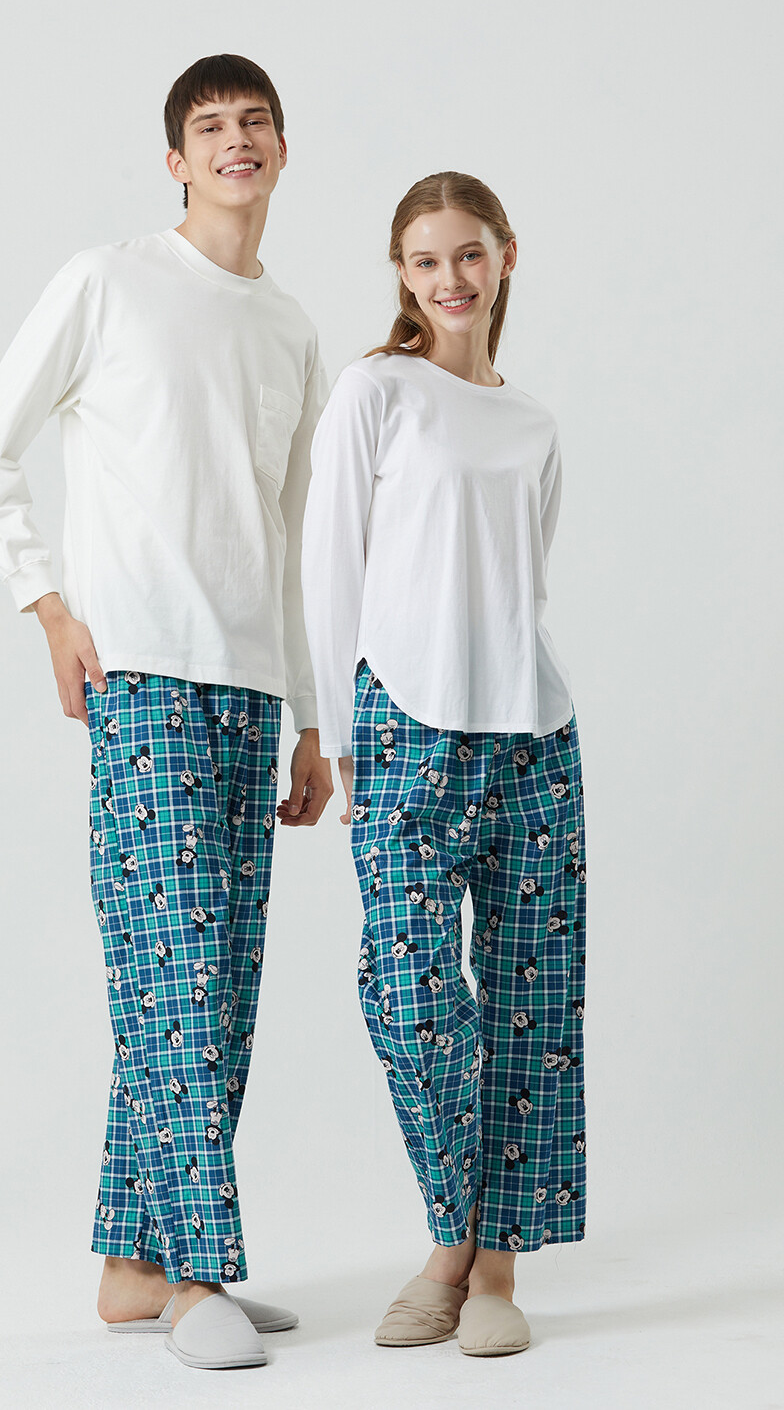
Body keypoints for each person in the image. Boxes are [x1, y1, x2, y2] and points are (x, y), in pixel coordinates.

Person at [0, 54, 333, 1372]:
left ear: (281, 148)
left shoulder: (290, 330)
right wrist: (47, 607)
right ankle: (198, 1278)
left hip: (249, 689)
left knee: (219, 986)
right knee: (172, 971)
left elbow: (289, 538)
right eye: (209, 127)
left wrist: (307, 715)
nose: (236, 141)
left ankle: (133, 1268)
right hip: (144, 678)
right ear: (176, 160)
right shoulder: (106, 282)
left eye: (255, 122)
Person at [301, 172, 587, 1357]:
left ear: (505, 256)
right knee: (410, 992)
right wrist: (336, 733)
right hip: (402, 726)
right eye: (424, 261)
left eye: (467, 254)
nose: (448, 279)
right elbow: (331, 569)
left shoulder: (534, 425)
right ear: (401, 274)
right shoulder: (375, 392)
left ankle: (492, 1270)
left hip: (531, 735)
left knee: (529, 1002)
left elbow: (524, 584)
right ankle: (450, 1235)